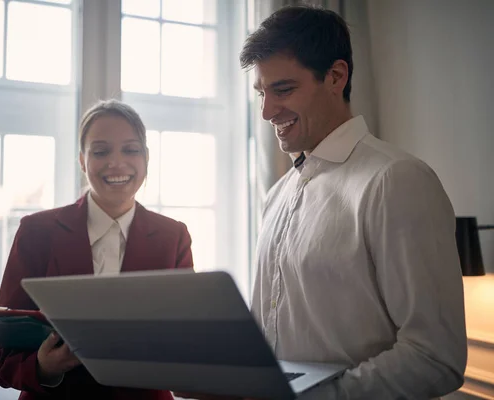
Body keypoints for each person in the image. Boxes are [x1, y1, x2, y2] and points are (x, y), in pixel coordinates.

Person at [176, 4, 467, 400]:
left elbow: (436, 357)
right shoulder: (277, 196)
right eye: (261, 93)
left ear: (335, 76)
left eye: (283, 90)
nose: (266, 111)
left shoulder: (396, 180)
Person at [0, 99, 194, 400]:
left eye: (131, 149)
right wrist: (44, 367)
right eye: (101, 151)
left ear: (146, 158)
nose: (116, 163)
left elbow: (188, 344)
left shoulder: (174, 236)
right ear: (82, 161)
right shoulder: (37, 232)